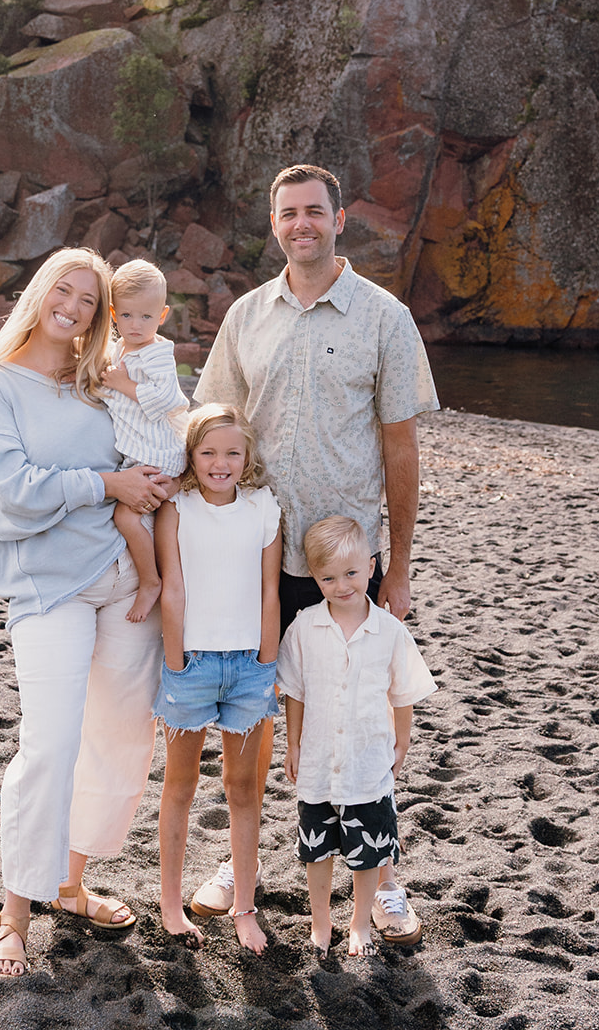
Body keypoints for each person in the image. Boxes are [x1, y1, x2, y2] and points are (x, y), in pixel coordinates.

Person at [190, 163, 438, 934]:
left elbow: (401, 448)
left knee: (359, 719)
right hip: (254, 558)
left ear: (338, 221)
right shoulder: (245, 317)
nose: (301, 224)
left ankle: (384, 881)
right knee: (251, 717)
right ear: (274, 224)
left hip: (341, 564)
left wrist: (396, 568)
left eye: (314, 212)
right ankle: (242, 862)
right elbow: (207, 431)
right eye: (288, 213)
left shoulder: (383, 317)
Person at [0, 247, 171, 979]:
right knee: (48, 744)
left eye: (90, 301)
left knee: (121, 736)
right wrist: (105, 482)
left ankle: (70, 883)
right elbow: (9, 490)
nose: (75, 308)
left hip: (126, 577)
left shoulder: (94, 379)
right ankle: (14, 916)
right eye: (66, 291)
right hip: (49, 587)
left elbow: (152, 440)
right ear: (39, 294)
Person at [153, 403, 282, 955]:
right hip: (193, 666)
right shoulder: (176, 509)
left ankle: (245, 909)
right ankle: (171, 904)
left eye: (232, 452)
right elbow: (172, 587)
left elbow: (269, 591)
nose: (220, 463)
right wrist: (177, 661)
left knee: (243, 788)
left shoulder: (263, 507)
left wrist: (266, 663)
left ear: (247, 457)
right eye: (207, 452)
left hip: (251, 668)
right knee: (180, 786)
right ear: (192, 456)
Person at [277, 515, 437, 957]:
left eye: (351, 573)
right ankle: (321, 921)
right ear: (315, 578)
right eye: (328, 577)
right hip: (318, 760)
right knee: (317, 850)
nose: (342, 585)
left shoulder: (389, 631)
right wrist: (292, 743)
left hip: (367, 760)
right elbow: (295, 691)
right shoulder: (305, 627)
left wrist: (401, 741)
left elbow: (403, 690)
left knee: (368, 851)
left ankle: (360, 922)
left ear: (370, 566)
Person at [100, 259, 189, 623]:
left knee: (125, 516)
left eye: (146, 318)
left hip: (157, 453)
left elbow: (168, 398)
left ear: (162, 316)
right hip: (137, 452)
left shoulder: (157, 354)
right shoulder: (116, 350)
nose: (136, 326)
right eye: (128, 316)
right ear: (113, 314)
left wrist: (123, 385)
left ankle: (150, 580)